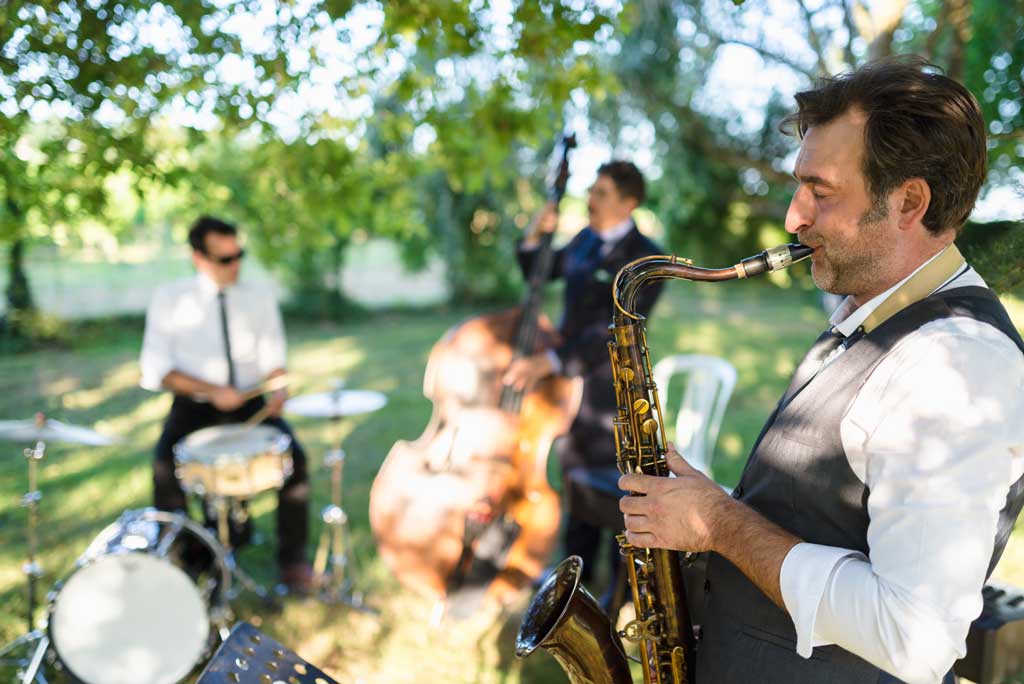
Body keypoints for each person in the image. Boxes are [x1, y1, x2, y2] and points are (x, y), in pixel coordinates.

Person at [618, 56, 1024, 684]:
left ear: (909, 201)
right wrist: (710, 506)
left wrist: (720, 525)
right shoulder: (871, 315)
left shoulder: (956, 366)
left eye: (820, 191)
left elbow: (912, 637)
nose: (793, 218)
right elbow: (829, 520)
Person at [505, 160, 664, 600]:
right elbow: (541, 271)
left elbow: (615, 328)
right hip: (567, 389)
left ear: (628, 202)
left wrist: (552, 360)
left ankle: (620, 589)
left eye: (601, 192)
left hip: (610, 390)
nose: (590, 199)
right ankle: (574, 579)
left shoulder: (645, 257)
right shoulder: (584, 239)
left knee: (613, 488)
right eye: (591, 190)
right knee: (573, 476)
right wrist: (536, 236)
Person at [140, 216, 312, 591]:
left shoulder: (258, 296)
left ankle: (293, 563)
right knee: (164, 468)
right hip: (194, 407)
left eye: (238, 256)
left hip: (252, 405)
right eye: (224, 259)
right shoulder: (171, 299)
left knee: (295, 462)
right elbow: (157, 370)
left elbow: (273, 357)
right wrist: (212, 389)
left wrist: (278, 388)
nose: (235, 265)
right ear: (198, 258)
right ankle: (181, 564)